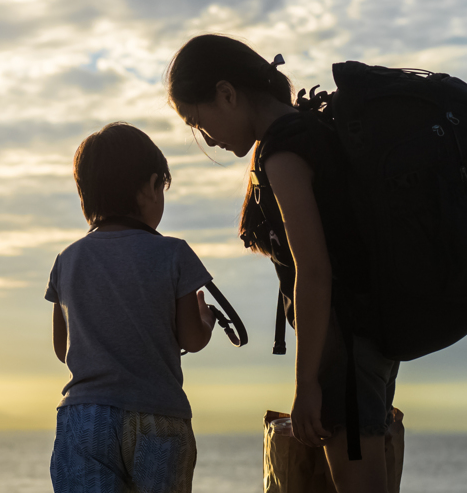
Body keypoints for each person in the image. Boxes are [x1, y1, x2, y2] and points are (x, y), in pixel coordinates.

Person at [167, 34, 402, 493]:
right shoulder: (309, 132)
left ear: (227, 94)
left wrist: (307, 383)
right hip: (366, 343)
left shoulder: (285, 151)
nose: (206, 139)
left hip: (345, 351)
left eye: (198, 122)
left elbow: (314, 272)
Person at [45, 121, 217, 493]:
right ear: (151, 186)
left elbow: (63, 350)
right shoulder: (174, 253)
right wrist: (205, 320)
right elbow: (192, 337)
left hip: (85, 416)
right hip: (159, 416)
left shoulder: (67, 259)